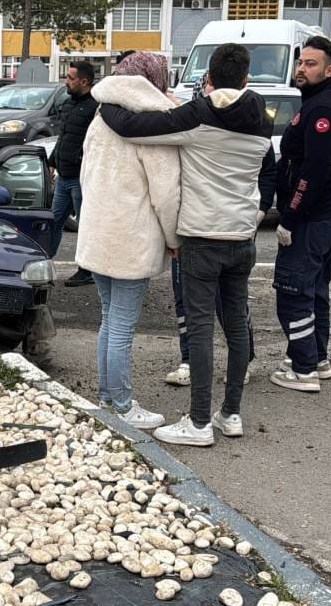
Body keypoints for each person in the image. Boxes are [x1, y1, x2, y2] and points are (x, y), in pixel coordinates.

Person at [97, 44, 271, 446]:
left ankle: (196, 424)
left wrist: (105, 102)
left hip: (201, 239)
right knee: (237, 326)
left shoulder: (199, 116)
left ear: (207, 79)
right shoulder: (263, 120)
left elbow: (131, 128)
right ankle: (230, 414)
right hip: (242, 238)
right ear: (246, 79)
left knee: (199, 330)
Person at [76, 51, 182, 429]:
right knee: (121, 325)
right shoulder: (154, 126)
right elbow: (166, 193)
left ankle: (108, 398)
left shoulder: (101, 115)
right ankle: (121, 404)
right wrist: (174, 238)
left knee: (110, 320)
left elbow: (87, 172)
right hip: (132, 237)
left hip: (99, 231)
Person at [165, 74, 276, 389]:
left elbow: (268, 171)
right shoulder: (193, 121)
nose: (214, 94)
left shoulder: (252, 122)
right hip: (194, 227)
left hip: (234, 228)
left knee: (232, 307)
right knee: (185, 302)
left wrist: (260, 210)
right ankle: (188, 360)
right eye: (209, 88)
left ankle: (243, 362)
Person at [268, 36, 331, 394]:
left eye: (311, 64)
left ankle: (304, 369)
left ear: (330, 69)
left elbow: (314, 170)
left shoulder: (323, 109)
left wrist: (290, 216)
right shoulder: (329, 102)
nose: (302, 69)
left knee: (293, 290)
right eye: (301, 62)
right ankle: (315, 357)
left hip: (314, 216)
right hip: (330, 212)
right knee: (315, 289)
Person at [50, 61, 98, 288]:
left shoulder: (95, 108)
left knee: (86, 227)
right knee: (54, 221)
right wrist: (52, 162)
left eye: (70, 78)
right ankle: (44, 262)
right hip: (63, 176)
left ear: (84, 81)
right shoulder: (69, 104)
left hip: (81, 178)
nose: (66, 81)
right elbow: (64, 137)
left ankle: (87, 270)